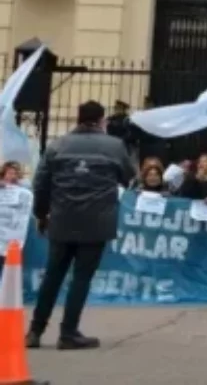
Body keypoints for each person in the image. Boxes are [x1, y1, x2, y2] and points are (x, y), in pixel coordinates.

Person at [27, 100, 137, 350]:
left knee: (53, 275)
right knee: (81, 277)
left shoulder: (57, 144)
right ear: (102, 120)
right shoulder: (114, 145)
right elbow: (129, 177)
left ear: (78, 118)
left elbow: (41, 184)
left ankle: (34, 331)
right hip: (96, 221)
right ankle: (68, 332)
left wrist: (42, 214)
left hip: (62, 218)